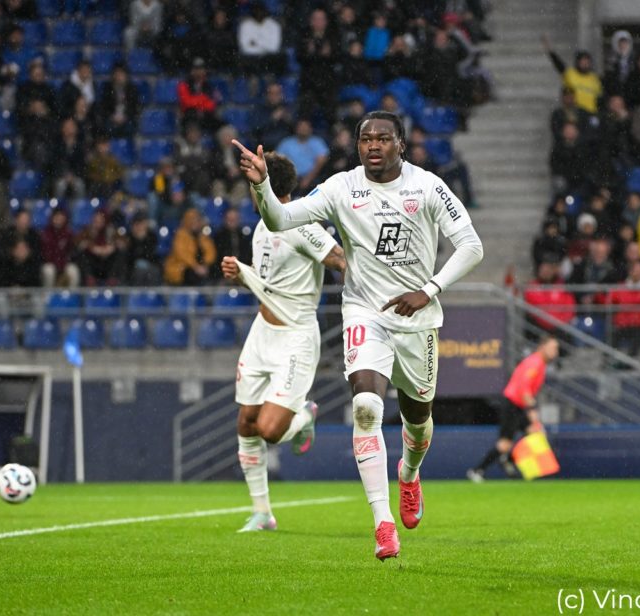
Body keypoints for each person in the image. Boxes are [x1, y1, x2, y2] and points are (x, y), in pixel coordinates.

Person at [232, 110, 483, 560]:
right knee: (366, 407)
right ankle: (383, 524)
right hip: (365, 313)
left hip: (418, 319)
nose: (373, 145)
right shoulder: (340, 188)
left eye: (383, 138)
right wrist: (262, 185)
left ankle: (409, 474)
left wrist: (429, 290)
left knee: (418, 421)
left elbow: (472, 246)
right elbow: (280, 219)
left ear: (400, 144)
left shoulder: (427, 187)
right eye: (366, 139)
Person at [222, 151, 346, 532]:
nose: (249, 190)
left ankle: (305, 414)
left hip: (296, 338)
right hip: (262, 333)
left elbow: (340, 259)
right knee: (246, 422)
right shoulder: (263, 225)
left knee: (270, 430)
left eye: (254, 183)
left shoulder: (301, 223)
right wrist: (243, 274)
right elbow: (272, 284)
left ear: (265, 186)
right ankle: (263, 513)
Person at [466, 336, 558, 483]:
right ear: (542, 347)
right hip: (512, 405)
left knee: (535, 434)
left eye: (556, 348)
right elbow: (524, 390)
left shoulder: (538, 363)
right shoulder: (535, 363)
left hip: (518, 406)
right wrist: (533, 413)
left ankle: (509, 460)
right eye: (552, 347)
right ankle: (477, 470)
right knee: (505, 444)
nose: (555, 351)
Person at [541, 34, 602, 114]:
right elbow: (558, 63)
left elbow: (599, 98)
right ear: (578, 62)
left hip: (590, 113)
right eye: (583, 61)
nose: (585, 64)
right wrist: (549, 49)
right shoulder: (570, 74)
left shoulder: (595, 79)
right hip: (574, 112)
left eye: (587, 61)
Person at [163, 208, 215, 286]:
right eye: (192, 220)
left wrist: (205, 264)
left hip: (200, 267)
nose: (194, 223)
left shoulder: (203, 236)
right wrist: (196, 266)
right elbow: (181, 254)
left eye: (197, 220)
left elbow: (210, 252)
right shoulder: (181, 235)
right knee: (190, 273)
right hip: (183, 268)